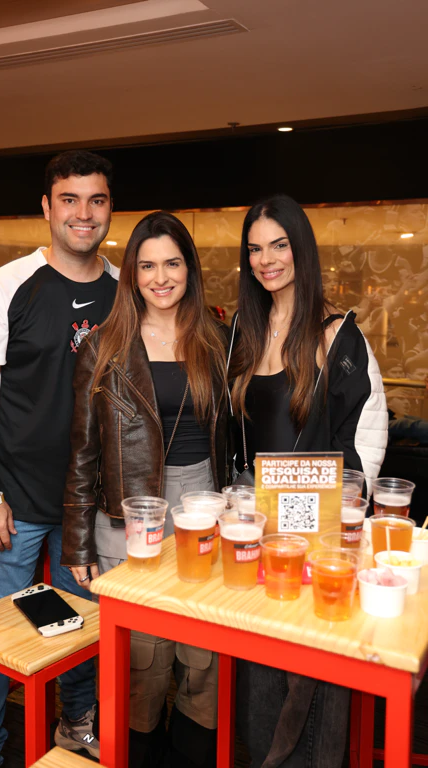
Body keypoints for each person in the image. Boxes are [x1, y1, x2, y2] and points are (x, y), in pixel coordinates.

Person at [0, 149, 119, 768]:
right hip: (15, 502)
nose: (84, 213)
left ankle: (76, 725)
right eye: (70, 200)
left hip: (91, 507)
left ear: (110, 208)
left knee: (80, 628)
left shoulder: (125, 291)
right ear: (47, 208)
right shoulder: (5, 287)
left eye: (96, 200)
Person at [61, 210, 228, 768]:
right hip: (129, 517)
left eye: (172, 264)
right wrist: (77, 544)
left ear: (190, 269)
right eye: (148, 265)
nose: (161, 277)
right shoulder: (104, 346)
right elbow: (83, 451)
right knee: (142, 667)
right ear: (132, 273)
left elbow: (235, 438)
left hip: (203, 509)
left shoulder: (217, 341)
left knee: (204, 662)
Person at [228, 194, 388, 768]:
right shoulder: (243, 331)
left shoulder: (336, 333)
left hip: (317, 534)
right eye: (255, 249)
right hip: (253, 529)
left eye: (279, 245)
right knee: (259, 671)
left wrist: (339, 515)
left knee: (313, 677)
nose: (266, 260)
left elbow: (366, 432)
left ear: (301, 249)